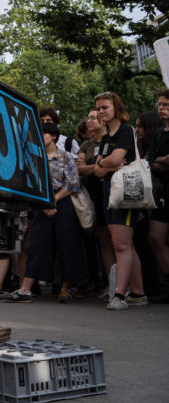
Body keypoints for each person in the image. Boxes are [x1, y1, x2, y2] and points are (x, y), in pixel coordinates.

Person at [6, 122, 86, 302]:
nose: (40, 137)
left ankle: (66, 288)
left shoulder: (65, 157)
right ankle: (25, 288)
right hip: (41, 205)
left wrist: (54, 201)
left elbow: (73, 184)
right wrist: (45, 204)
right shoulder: (34, 158)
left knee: (67, 244)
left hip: (63, 204)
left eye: (44, 133)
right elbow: (30, 185)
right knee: (36, 245)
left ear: (54, 136)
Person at [92, 91, 148, 310]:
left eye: (105, 107)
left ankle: (119, 295)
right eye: (98, 108)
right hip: (109, 189)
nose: (100, 111)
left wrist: (105, 163)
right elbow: (97, 170)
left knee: (121, 244)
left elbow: (111, 161)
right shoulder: (106, 136)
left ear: (117, 108)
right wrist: (107, 164)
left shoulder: (125, 131)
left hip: (126, 190)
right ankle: (138, 293)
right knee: (125, 244)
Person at [76, 109, 113, 301]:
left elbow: (114, 165)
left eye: (92, 118)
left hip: (113, 193)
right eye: (88, 117)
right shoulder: (85, 144)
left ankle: (127, 284)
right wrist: (99, 167)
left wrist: (99, 167)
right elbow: (79, 170)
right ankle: (111, 284)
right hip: (93, 196)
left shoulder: (113, 140)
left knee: (119, 241)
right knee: (104, 241)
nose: (88, 121)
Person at [146, 91, 169, 303]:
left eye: (165, 104)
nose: (160, 108)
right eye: (159, 104)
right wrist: (163, 160)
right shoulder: (160, 134)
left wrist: (162, 161)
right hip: (163, 192)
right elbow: (150, 162)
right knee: (155, 237)